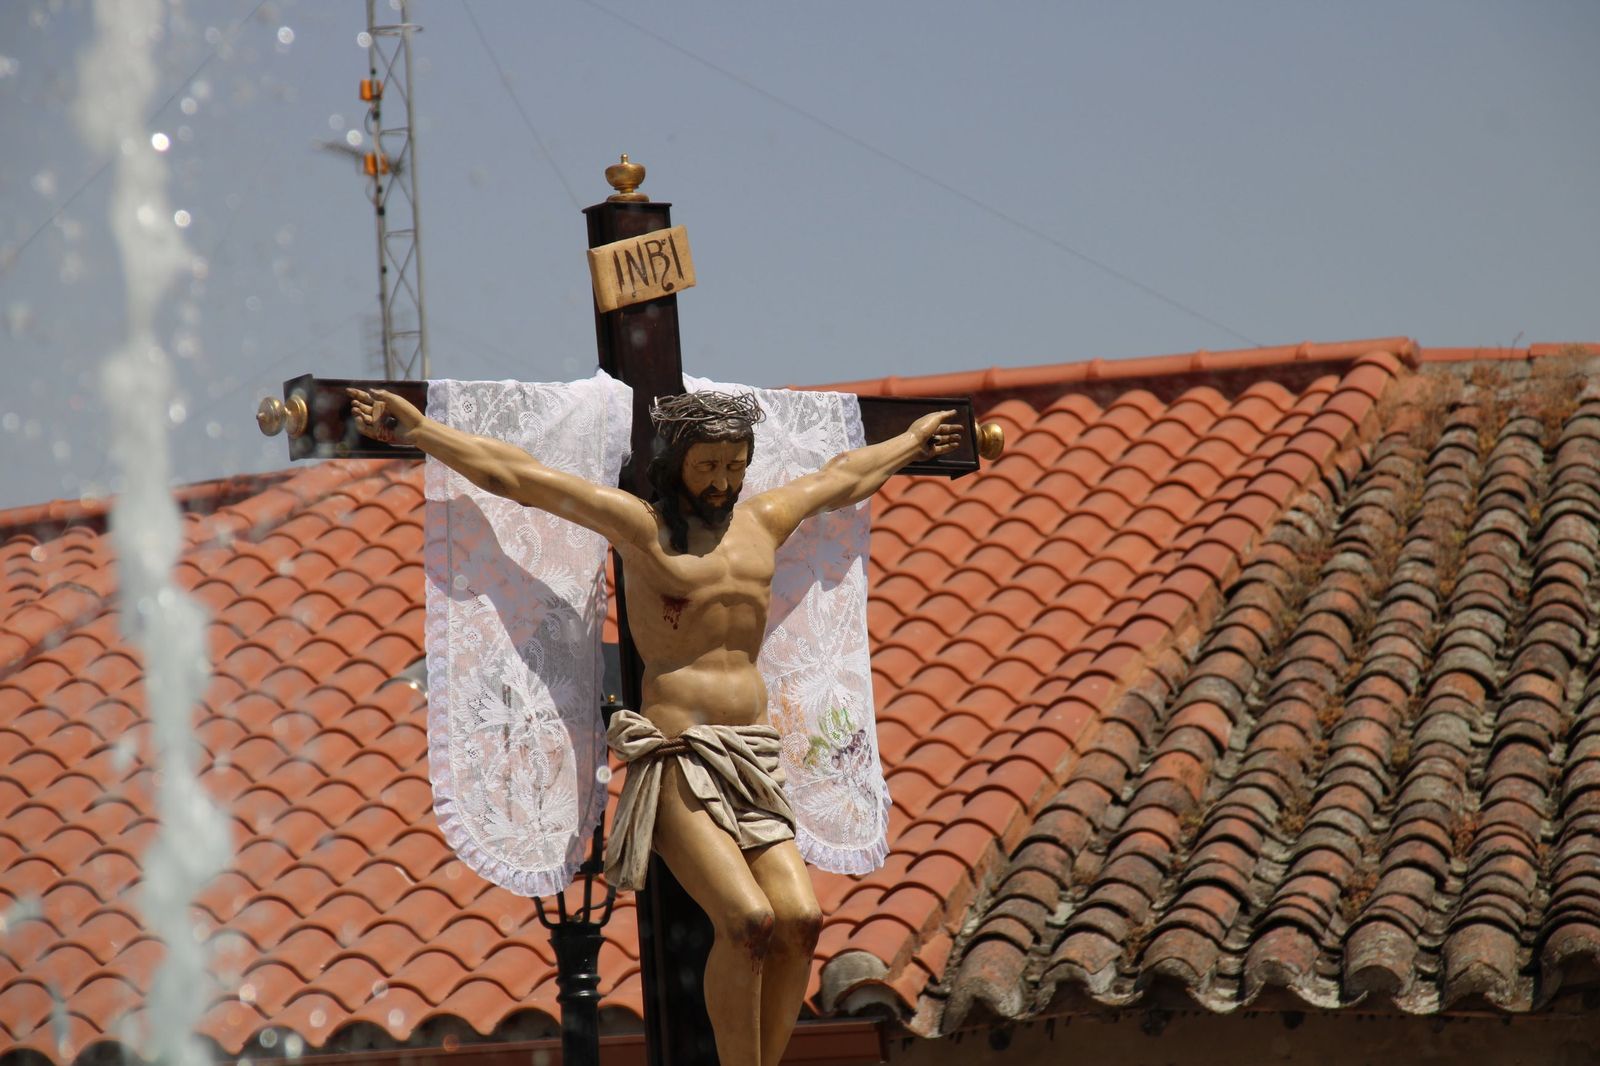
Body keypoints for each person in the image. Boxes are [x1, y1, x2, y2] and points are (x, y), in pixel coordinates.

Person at [348, 385, 962, 1066]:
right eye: (708, 467)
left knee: (800, 921)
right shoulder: (642, 529)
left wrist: (911, 443)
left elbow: (841, 478)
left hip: (752, 758)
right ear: (676, 463)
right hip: (679, 757)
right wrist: (424, 432)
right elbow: (522, 479)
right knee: (748, 920)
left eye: (735, 465)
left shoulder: (763, 522)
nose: (723, 482)